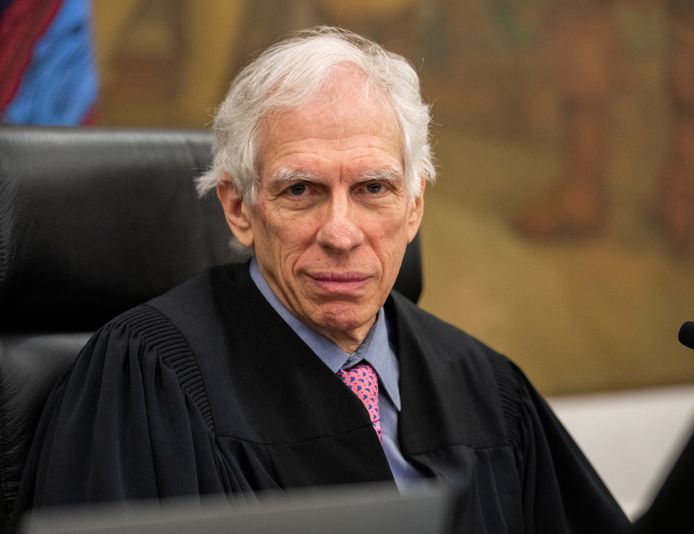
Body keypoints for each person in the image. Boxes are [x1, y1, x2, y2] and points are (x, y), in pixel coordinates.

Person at [13, 27, 630, 533]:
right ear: (238, 208)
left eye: (374, 189)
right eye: (301, 190)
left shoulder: (487, 388)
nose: (341, 232)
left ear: (414, 206)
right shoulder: (145, 380)